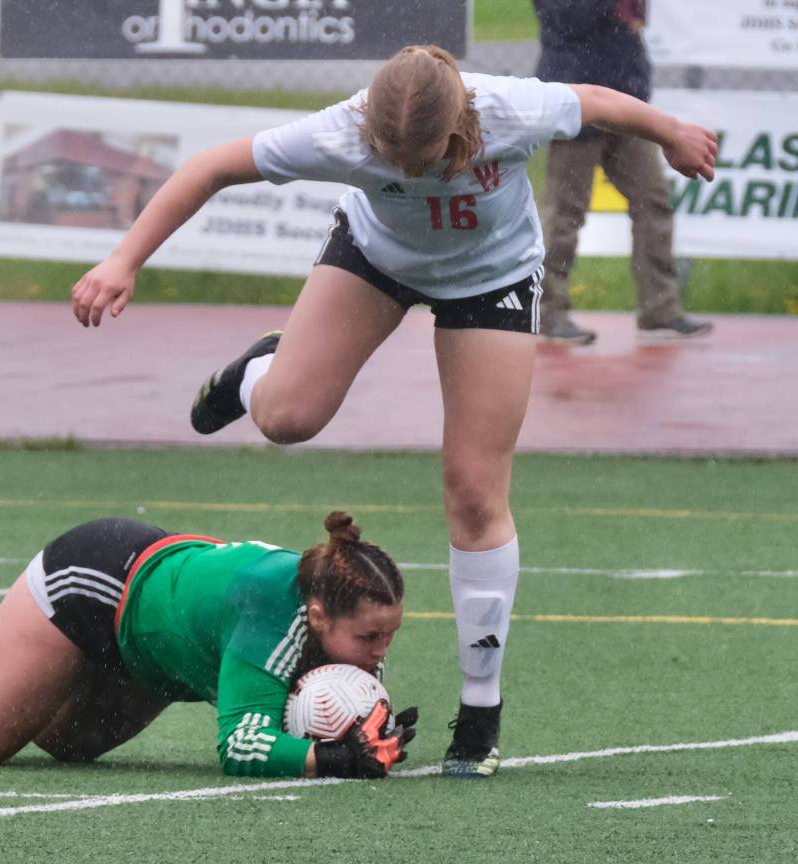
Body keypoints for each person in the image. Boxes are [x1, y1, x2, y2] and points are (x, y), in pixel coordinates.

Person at [69, 44, 717, 777]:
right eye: (392, 158)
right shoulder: (342, 130)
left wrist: (671, 131)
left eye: (426, 157)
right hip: (376, 261)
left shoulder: (511, 109)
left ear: (463, 128)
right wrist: (123, 260)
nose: (407, 171)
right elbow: (210, 167)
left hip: (491, 278)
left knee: (474, 491)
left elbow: (600, 100)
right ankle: (257, 373)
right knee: (286, 418)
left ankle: (479, 713)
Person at [0, 512, 416, 779]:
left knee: (69, 744)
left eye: (389, 634)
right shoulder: (272, 611)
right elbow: (242, 745)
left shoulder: (329, 610)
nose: (380, 652)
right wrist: (331, 758)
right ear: (317, 617)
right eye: (370, 637)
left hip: (153, 653)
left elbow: (302, 714)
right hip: (92, 586)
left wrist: (370, 726)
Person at [534, 0, 714, 344]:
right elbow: (566, 19)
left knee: (654, 201)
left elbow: (631, 26)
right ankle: (547, 314)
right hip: (577, 105)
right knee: (564, 214)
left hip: (625, 104)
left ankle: (659, 311)